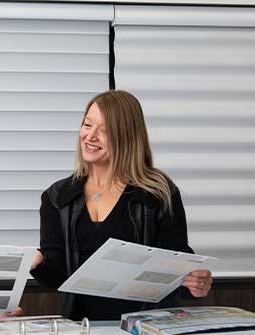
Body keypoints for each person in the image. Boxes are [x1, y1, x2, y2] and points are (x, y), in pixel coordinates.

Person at [30, 90, 212, 321]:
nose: (91, 136)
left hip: (147, 328)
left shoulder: (158, 192)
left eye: (104, 130)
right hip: (83, 328)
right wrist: (39, 263)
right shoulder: (57, 197)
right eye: (87, 125)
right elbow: (58, 277)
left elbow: (177, 263)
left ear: (126, 136)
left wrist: (195, 282)